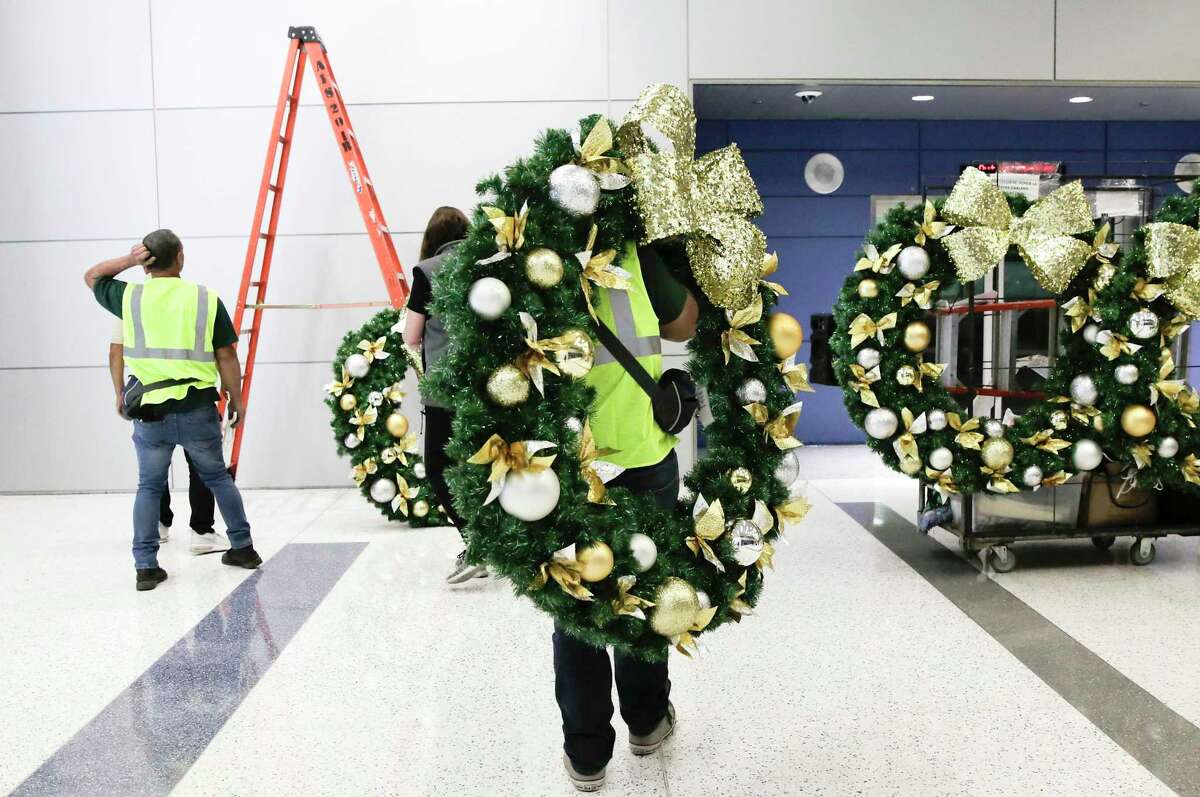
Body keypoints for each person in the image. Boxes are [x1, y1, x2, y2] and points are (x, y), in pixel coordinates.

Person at [557, 240, 698, 791]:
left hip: (566, 469)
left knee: (576, 605)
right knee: (644, 591)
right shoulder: (638, 258)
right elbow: (683, 325)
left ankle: (587, 755)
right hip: (642, 458)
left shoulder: (531, 259)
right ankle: (647, 722)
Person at [86, 229, 261, 592]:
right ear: (180, 256)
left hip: (151, 411)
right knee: (217, 477)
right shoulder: (205, 299)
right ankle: (243, 548)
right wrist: (237, 399)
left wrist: (130, 261)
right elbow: (226, 355)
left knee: (149, 486)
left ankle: (146, 567)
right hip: (198, 407)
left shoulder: (129, 296)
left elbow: (93, 276)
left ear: (147, 261)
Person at [402, 206, 484, 584]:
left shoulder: (427, 272)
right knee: (487, 465)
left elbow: (411, 337)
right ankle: (496, 544)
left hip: (446, 391)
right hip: (489, 386)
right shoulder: (485, 264)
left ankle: (476, 544)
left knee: (438, 466)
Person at [108, 317, 226, 554]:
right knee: (202, 468)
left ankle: (159, 525)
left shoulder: (131, 304)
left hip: (149, 398)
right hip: (193, 397)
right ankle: (202, 532)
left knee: (153, 476)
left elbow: (115, 353)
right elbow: (223, 353)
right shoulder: (190, 301)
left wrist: (119, 393)